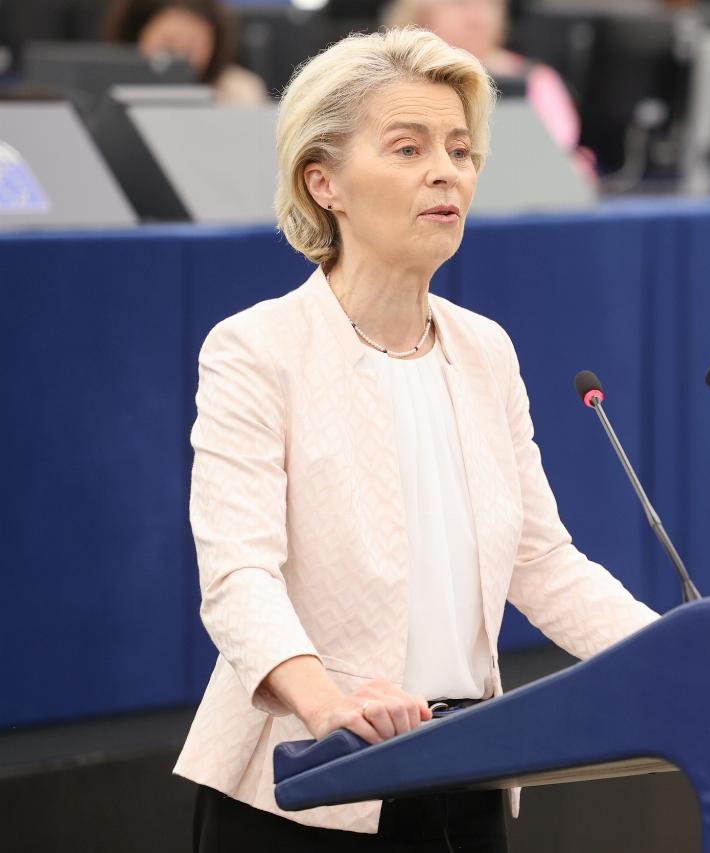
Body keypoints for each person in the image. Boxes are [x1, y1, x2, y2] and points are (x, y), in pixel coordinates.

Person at [172, 26, 660, 850]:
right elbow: (237, 575)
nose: (447, 172)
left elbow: (543, 562)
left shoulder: (485, 348)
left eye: (460, 150)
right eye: (408, 148)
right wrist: (327, 703)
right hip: (309, 780)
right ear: (324, 181)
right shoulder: (257, 349)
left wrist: (678, 656)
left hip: (464, 773)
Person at [383, 0, 582, 157]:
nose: (478, 19)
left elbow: (557, 152)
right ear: (420, 13)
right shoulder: (392, 78)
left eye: (489, 4)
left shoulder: (536, 80)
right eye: (459, 4)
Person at [102, 0, 268, 105]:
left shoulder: (239, 92)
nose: (179, 57)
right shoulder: (107, 89)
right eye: (168, 43)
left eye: (192, 47)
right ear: (136, 35)